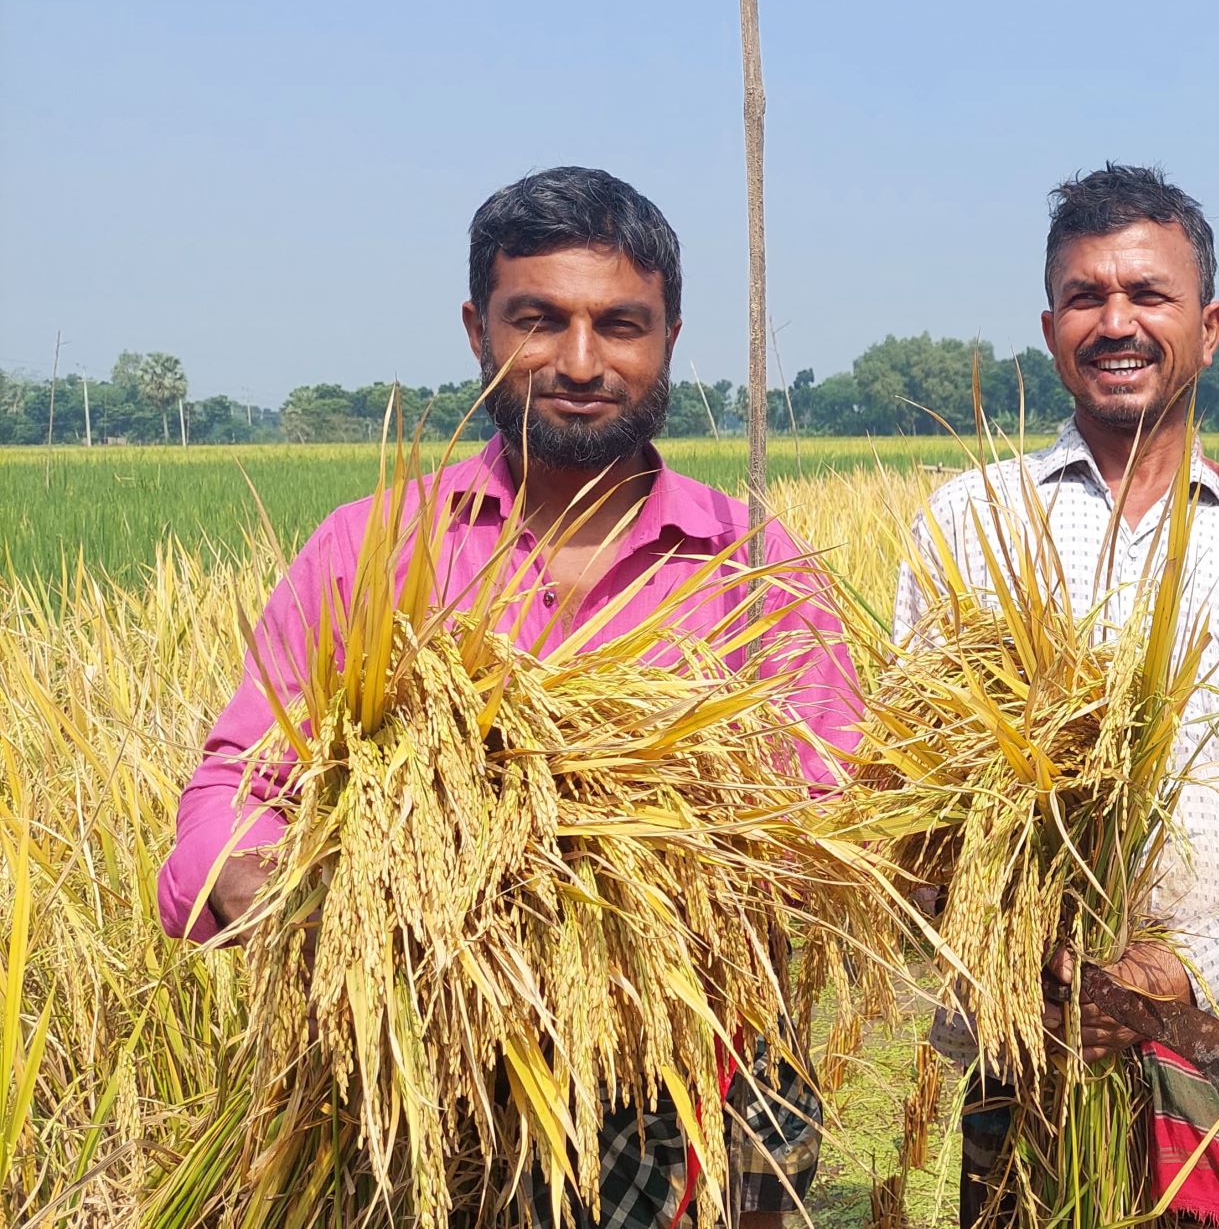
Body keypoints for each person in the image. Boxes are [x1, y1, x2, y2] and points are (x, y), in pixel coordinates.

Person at [156, 166, 860, 1228]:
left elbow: (834, 800)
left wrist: (693, 874)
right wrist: (280, 887)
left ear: (670, 335)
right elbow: (239, 781)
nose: (581, 362)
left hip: (702, 1077)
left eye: (620, 324)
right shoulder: (373, 549)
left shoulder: (751, 564)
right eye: (539, 320)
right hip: (425, 1087)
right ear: (478, 330)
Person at [893, 164, 1219, 1229]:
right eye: (1087, 296)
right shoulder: (971, 522)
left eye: (1148, 295)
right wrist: (1027, 959)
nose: (1116, 321)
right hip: (1032, 1044)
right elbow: (912, 796)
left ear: (1208, 328)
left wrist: (1183, 966)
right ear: (1049, 325)